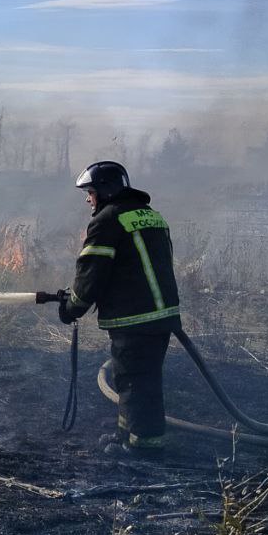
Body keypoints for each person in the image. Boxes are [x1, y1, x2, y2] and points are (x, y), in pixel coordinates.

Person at [57, 161, 181, 458]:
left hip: (134, 317)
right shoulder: (151, 216)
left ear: (105, 190)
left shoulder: (108, 220)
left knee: (136, 382)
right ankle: (125, 434)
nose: (89, 199)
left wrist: (72, 307)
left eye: (90, 192)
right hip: (162, 315)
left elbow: (91, 274)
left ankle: (143, 449)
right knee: (135, 378)